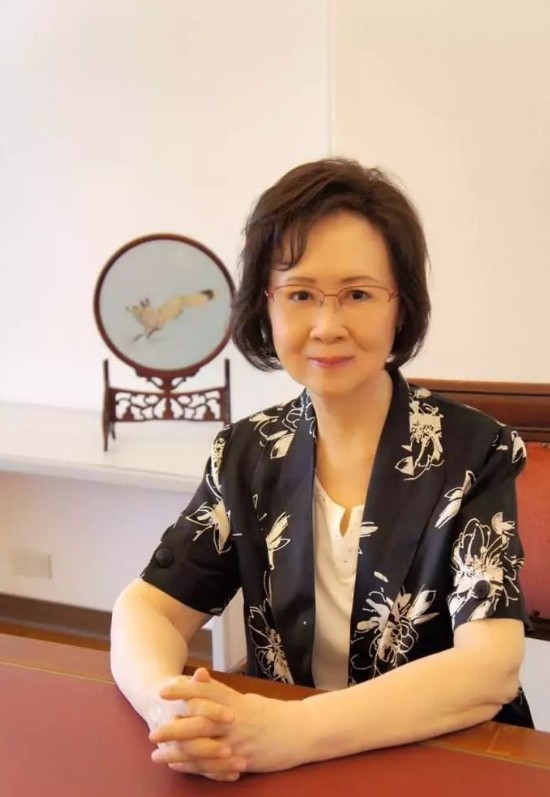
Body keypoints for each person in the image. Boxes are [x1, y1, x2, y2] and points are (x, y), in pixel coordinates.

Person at [110, 157, 533, 782]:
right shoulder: (246, 452)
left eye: (358, 294)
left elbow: (489, 668)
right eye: (301, 294)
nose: (327, 326)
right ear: (267, 306)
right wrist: (168, 710)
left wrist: (289, 732)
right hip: (284, 767)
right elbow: (149, 608)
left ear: (400, 306)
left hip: (441, 760)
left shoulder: (476, 451)